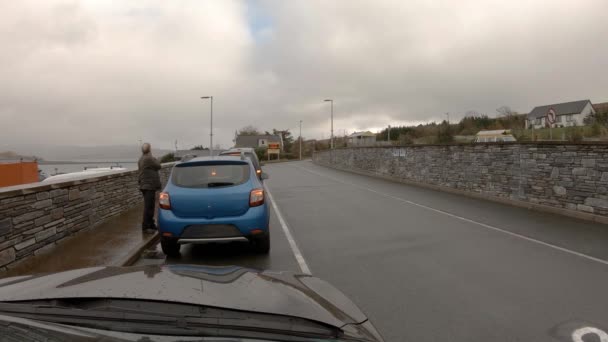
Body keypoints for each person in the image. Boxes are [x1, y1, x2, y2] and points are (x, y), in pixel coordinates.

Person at [138, 143, 161, 232]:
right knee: (148, 207)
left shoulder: (141, 159)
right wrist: (156, 158)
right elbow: (158, 166)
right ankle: (146, 227)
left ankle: (151, 225)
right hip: (149, 186)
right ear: (149, 149)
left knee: (150, 206)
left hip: (145, 185)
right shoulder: (149, 158)